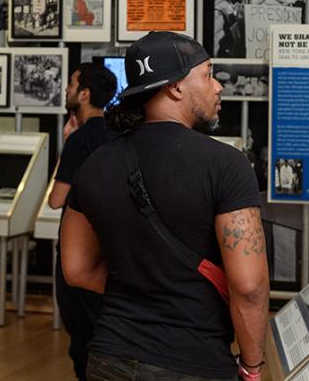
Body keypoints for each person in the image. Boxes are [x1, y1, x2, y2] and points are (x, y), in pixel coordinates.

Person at [61, 31, 269, 381]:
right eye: (207, 74)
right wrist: (252, 367)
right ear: (175, 87)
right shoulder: (225, 165)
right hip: (191, 361)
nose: (217, 87)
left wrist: (145, 294)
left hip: (109, 357)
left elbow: (76, 268)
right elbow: (249, 287)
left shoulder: (94, 165)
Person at [49, 62, 118, 381]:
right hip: (113, 249)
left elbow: (56, 199)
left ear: (85, 93)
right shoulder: (120, 134)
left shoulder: (79, 140)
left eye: (72, 84)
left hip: (79, 251)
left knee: (81, 336)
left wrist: (67, 144)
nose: (67, 89)